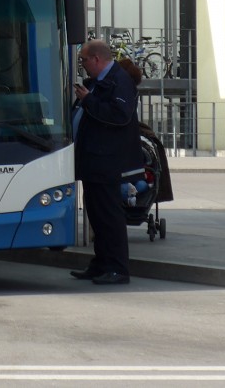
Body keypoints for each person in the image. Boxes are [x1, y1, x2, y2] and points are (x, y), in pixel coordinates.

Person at [71, 39, 140, 285]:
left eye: (84, 60)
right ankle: (100, 264)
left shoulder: (119, 81)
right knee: (97, 216)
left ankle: (118, 268)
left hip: (107, 161)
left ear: (97, 59)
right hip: (93, 160)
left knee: (109, 216)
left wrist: (88, 100)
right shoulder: (100, 82)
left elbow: (120, 116)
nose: (83, 65)